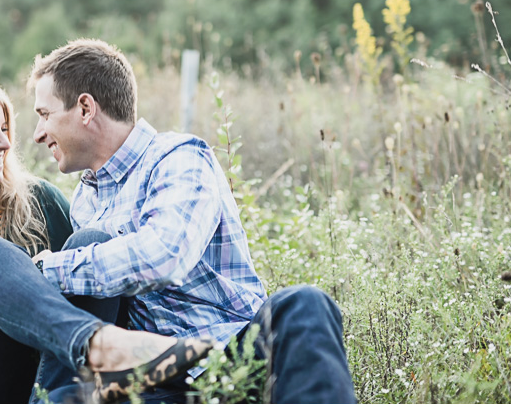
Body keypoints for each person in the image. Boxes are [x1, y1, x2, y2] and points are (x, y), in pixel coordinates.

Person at [27, 39, 356, 403]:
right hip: (162, 382)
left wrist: (46, 271)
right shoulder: (84, 201)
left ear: (86, 108)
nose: (38, 133)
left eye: (44, 114)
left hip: (231, 354)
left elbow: (166, 255)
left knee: (305, 303)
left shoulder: (179, 158)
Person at [0, 70, 213, 404]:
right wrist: (19, 294)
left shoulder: (40, 200)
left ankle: (57, 394)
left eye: (5, 129)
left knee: (93, 240)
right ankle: (97, 346)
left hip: (53, 378)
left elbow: (92, 294)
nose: (6, 143)